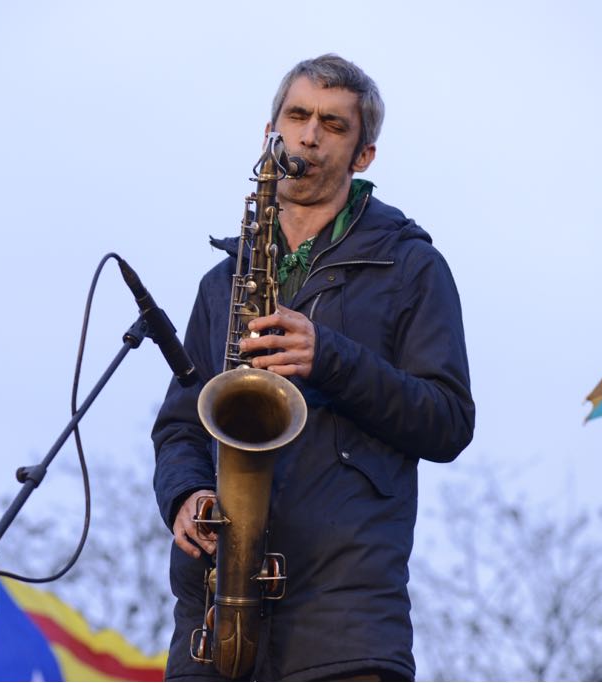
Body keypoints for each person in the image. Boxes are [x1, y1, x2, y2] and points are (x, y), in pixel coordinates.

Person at [152, 54, 475, 681]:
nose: (308, 134)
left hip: (344, 624)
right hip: (213, 616)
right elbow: (179, 427)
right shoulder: (223, 284)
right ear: (267, 131)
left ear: (364, 156)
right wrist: (184, 493)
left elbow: (449, 420)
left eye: (332, 124)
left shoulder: (412, 267)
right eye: (296, 115)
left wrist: (329, 357)